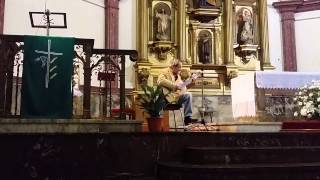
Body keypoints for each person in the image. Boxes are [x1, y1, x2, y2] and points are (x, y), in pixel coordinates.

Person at [157, 59, 196, 125]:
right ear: (173, 66)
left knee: (188, 94)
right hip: (167, 98)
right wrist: (174, 86)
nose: (180, 69)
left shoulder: (178, 76)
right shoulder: (165, 71)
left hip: (177, 97)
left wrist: (191, 83)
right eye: (179, 67)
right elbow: (160, 81)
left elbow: (182, 88)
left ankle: (187, 118)